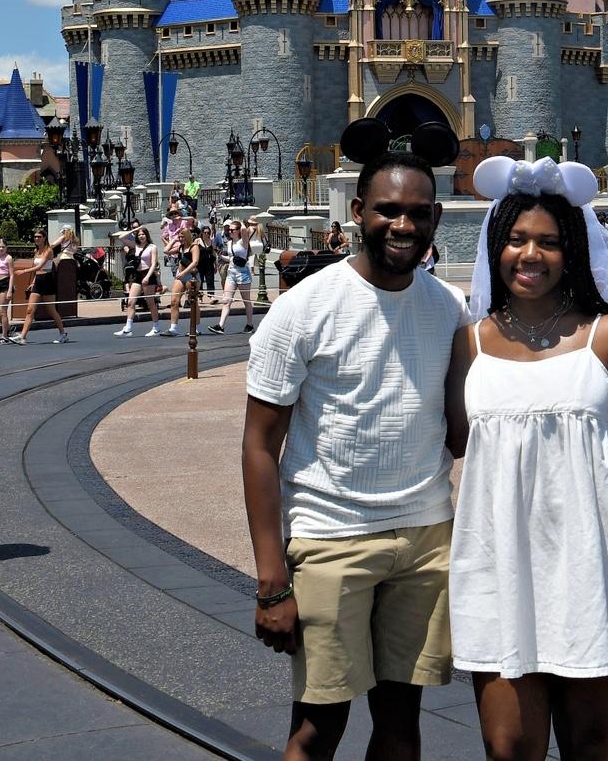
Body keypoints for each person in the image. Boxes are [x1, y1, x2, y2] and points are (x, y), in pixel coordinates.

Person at [242, 151, 469, 761]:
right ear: (358, 212)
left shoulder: (450, 307)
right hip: (331, 537)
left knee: (401, 726)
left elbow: (462, 433)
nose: (403, 226)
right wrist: (271, 583)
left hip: (425, 538)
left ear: (437, 218)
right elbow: (260, 447)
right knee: (319, 727)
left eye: (418, 213)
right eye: (388, 211)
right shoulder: (302, 308)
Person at [445, 156, 608, 761]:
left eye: (547, 241)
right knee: (508, 746)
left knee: (589, 746)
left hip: (588, 571)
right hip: (496, 571)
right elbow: (453, 445)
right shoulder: (468, 344)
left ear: (571, 250)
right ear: (497, 246)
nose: (530, 254)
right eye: (516, 239)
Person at [11, 229, 68, 344]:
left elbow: (40, 267)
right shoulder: (36, 251)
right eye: (35, 237)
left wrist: (24, 271)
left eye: (39, 237)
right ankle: (23, 336)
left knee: (51, 310)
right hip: (38, 280)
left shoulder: (48, 251)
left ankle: (63, 333)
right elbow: (37, 270)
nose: (36, 239)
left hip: (47, 280)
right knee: (30, 310)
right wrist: (33, 281)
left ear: (44, 238)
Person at [117, 227, 162, 336]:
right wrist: (135, 229)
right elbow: (121, 237)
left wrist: (147, 277)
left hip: (148, 274)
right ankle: (128, 327)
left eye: (143, 234)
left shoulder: (152, 247)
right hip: (137, 275)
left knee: (150, 302)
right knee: (131, 301)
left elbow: (153, 264)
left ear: (147, 235)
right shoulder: (135, 246)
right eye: (139, 235)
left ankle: (156, 327)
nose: (141, 236)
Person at [211, 240, 255, 334]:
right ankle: (220, 326)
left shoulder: (243, 242)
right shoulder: (229, 243)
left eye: (232, 229)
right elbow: (230, 259)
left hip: (242, 274)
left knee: (246, 300)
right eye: (229, 229)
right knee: (226, 301)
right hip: (231, 274)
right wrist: (220, 255)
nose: (230, 231)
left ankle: (250, 325)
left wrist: (243, 225)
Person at [167, 226, 204, 336]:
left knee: (192, 301)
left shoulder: (194, 247)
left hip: (191, 276)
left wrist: (184, 272)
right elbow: (166, 251)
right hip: (181, 276)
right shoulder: (180, 247)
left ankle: (196, 327)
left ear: (187, 236)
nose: (181, 239)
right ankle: (173, 328)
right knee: (174, 300)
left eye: (182, 237)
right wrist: (174, 240)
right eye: (179, 237)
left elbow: (195, 262)